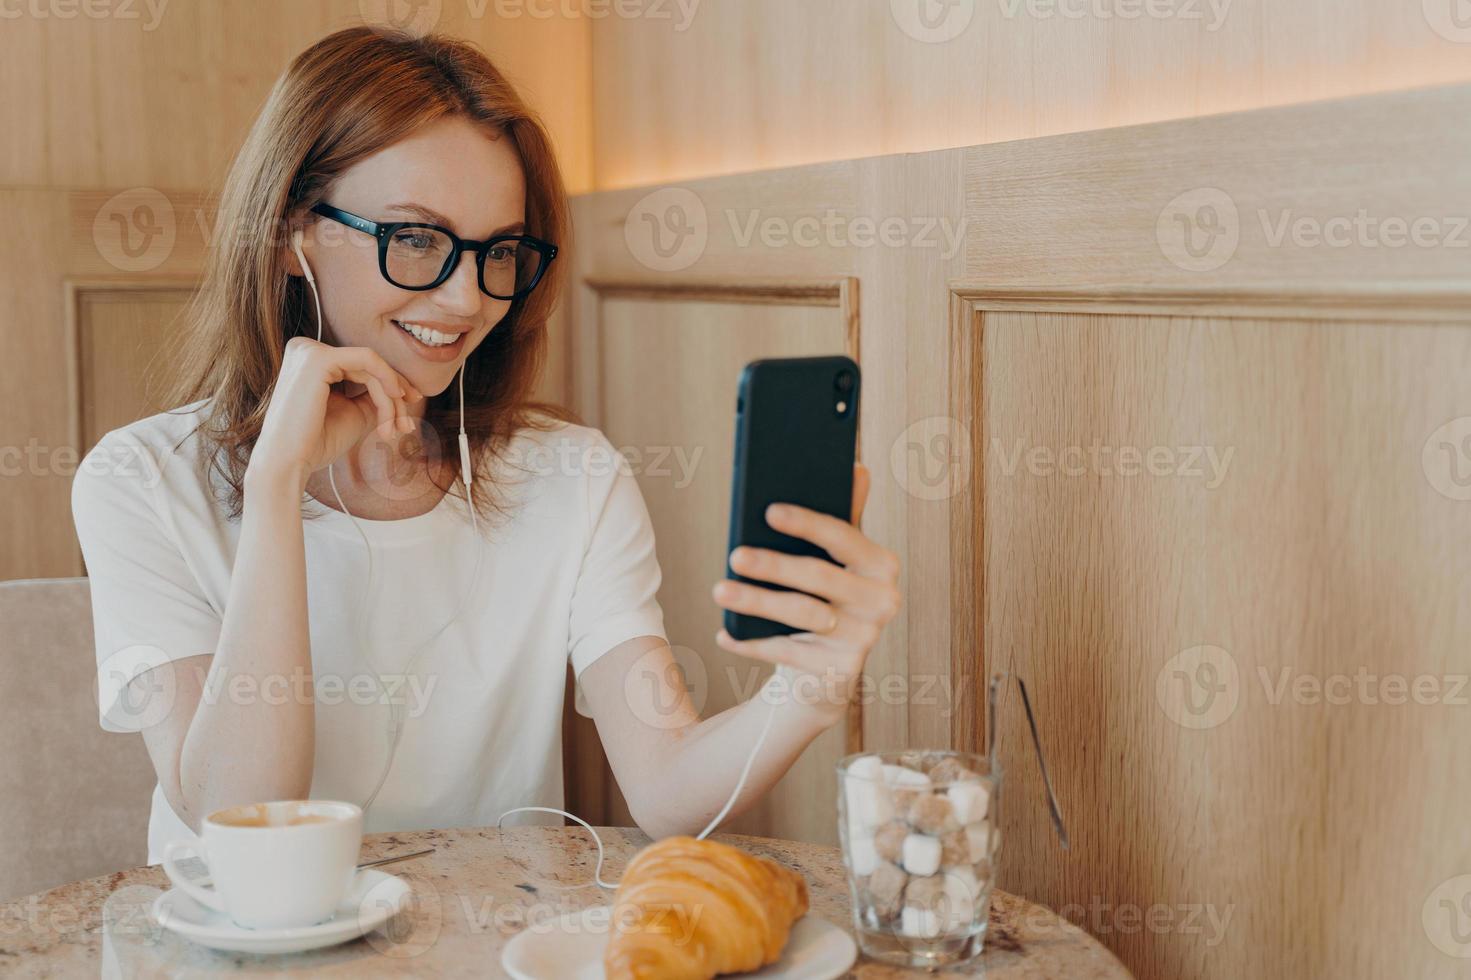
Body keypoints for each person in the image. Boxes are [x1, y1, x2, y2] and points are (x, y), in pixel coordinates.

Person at [71, 25, 902, 865]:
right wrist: (280, 480)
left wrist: (811, 685)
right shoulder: (139, 480)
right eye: (417, 239)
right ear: (293, 232)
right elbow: (237, 823)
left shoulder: (570, 476)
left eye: (498, 250)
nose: (467, 297)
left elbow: (666, 791)